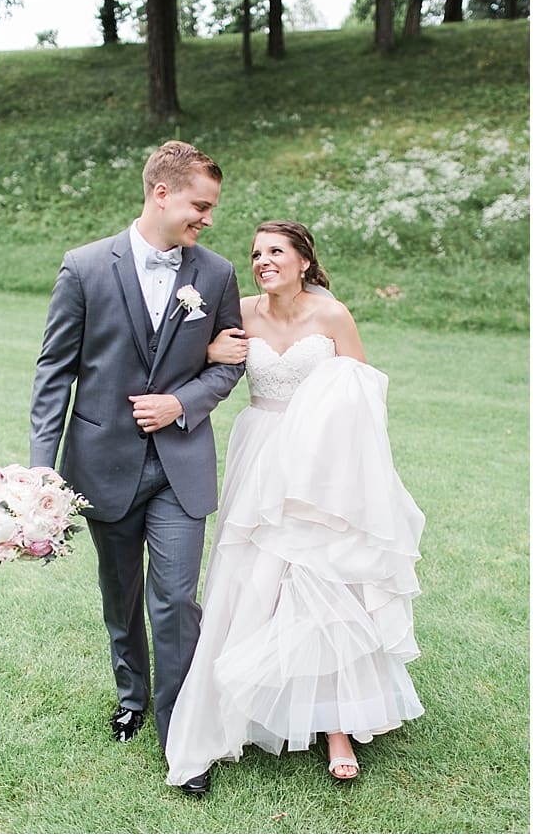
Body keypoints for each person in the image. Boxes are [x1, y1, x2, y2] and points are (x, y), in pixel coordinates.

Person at [165, 220, 424, 789]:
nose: (262, 261)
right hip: (260, 451)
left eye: (276, 251)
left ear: (304, 260)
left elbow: (364, 396)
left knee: (322, 579)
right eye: (256, 253)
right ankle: (244, 702)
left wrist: (351, 471)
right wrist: (210, 347)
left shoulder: (332, 316)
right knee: (257, 578)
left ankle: (337, 724)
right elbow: (195, 364)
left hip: (321, 464)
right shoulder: (242, 313)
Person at [29, 141, 244, 796]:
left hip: (181, 465)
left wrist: (183, 401)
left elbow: (230, 361)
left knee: (175, 600)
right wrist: (41, 472)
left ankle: (182, 733)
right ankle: (132, 695)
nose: (207, 218)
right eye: (199, 205)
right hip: (103, 463)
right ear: (161, 192)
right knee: (120, 594)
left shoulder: (216, 274)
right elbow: (54, 373)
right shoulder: (84, 267)